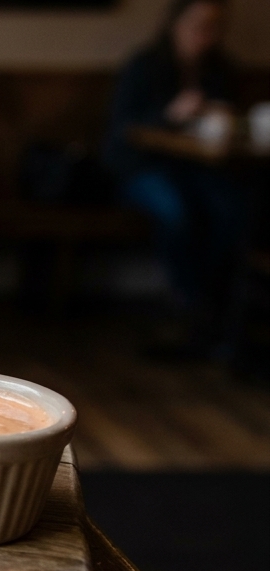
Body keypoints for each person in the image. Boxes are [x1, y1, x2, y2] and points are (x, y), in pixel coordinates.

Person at [103, 0, 245, 351]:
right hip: (137, 167)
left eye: (213, 27)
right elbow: (124, 130)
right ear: (175, 23)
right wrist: (170, 114)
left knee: (233, 209)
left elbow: (231, 124)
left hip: (194, 168)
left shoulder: (219, 69)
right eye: (198, 25)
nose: (204, 35)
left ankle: (215, 308)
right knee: (177, 210)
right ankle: (191, 305)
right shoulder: (146, 65)